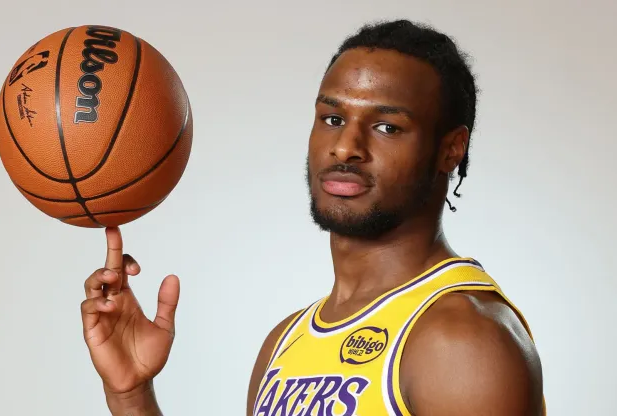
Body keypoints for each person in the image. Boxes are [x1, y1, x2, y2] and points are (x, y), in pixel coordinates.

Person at [79, 19, 545, 415]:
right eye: (333, 119)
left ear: (450, 149)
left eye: (387, 127)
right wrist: (133, 395)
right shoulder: (284, 342)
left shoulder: (463, 344)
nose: (346, 147)